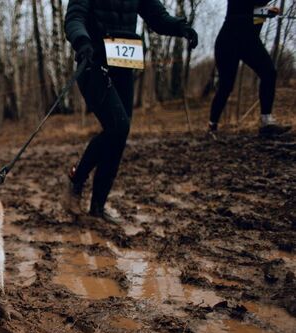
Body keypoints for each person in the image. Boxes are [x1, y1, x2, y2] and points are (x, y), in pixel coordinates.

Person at [64, 0, 198, 222]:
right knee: (118, 126)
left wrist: (180, 27)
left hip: (124, 66)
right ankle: (77, 178)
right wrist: (82, 40)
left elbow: (158, 18)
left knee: (119, 134)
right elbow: (74, 18)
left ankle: (97, 207)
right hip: (93, 64)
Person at [209, 1, 291, 137]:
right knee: (226, 86)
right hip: (228, 40)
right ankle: (212, 125)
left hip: (249, 41)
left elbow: (253, 12)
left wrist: (265, 13)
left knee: (269, 73)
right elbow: (248, 6)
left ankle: (266, 123)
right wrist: (264, 10)